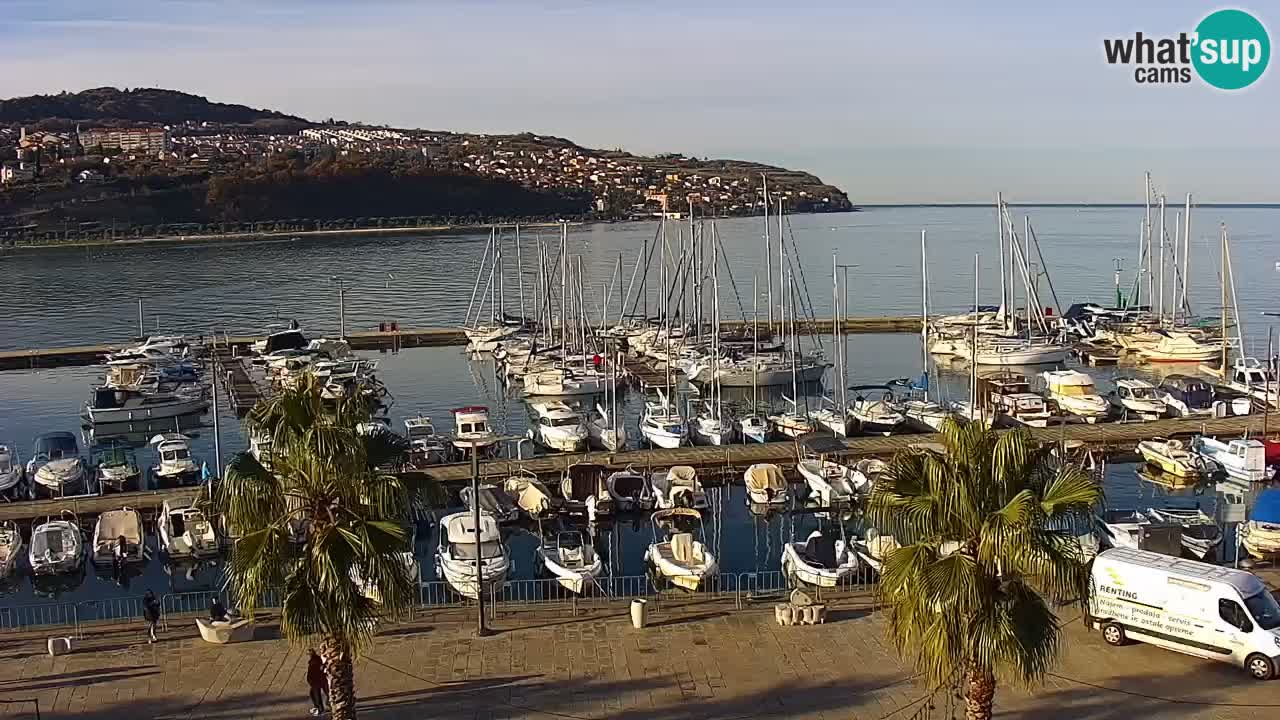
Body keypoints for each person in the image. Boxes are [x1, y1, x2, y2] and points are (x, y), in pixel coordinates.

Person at [307, 649, 327, 716]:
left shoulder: (314, 661)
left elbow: (314, 670)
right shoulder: (315, 659)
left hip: (316, 680)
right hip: (317, 680)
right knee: (314, 693)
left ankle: (320, 709)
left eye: (309, 653)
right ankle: (319, 707)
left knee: (315, 695)